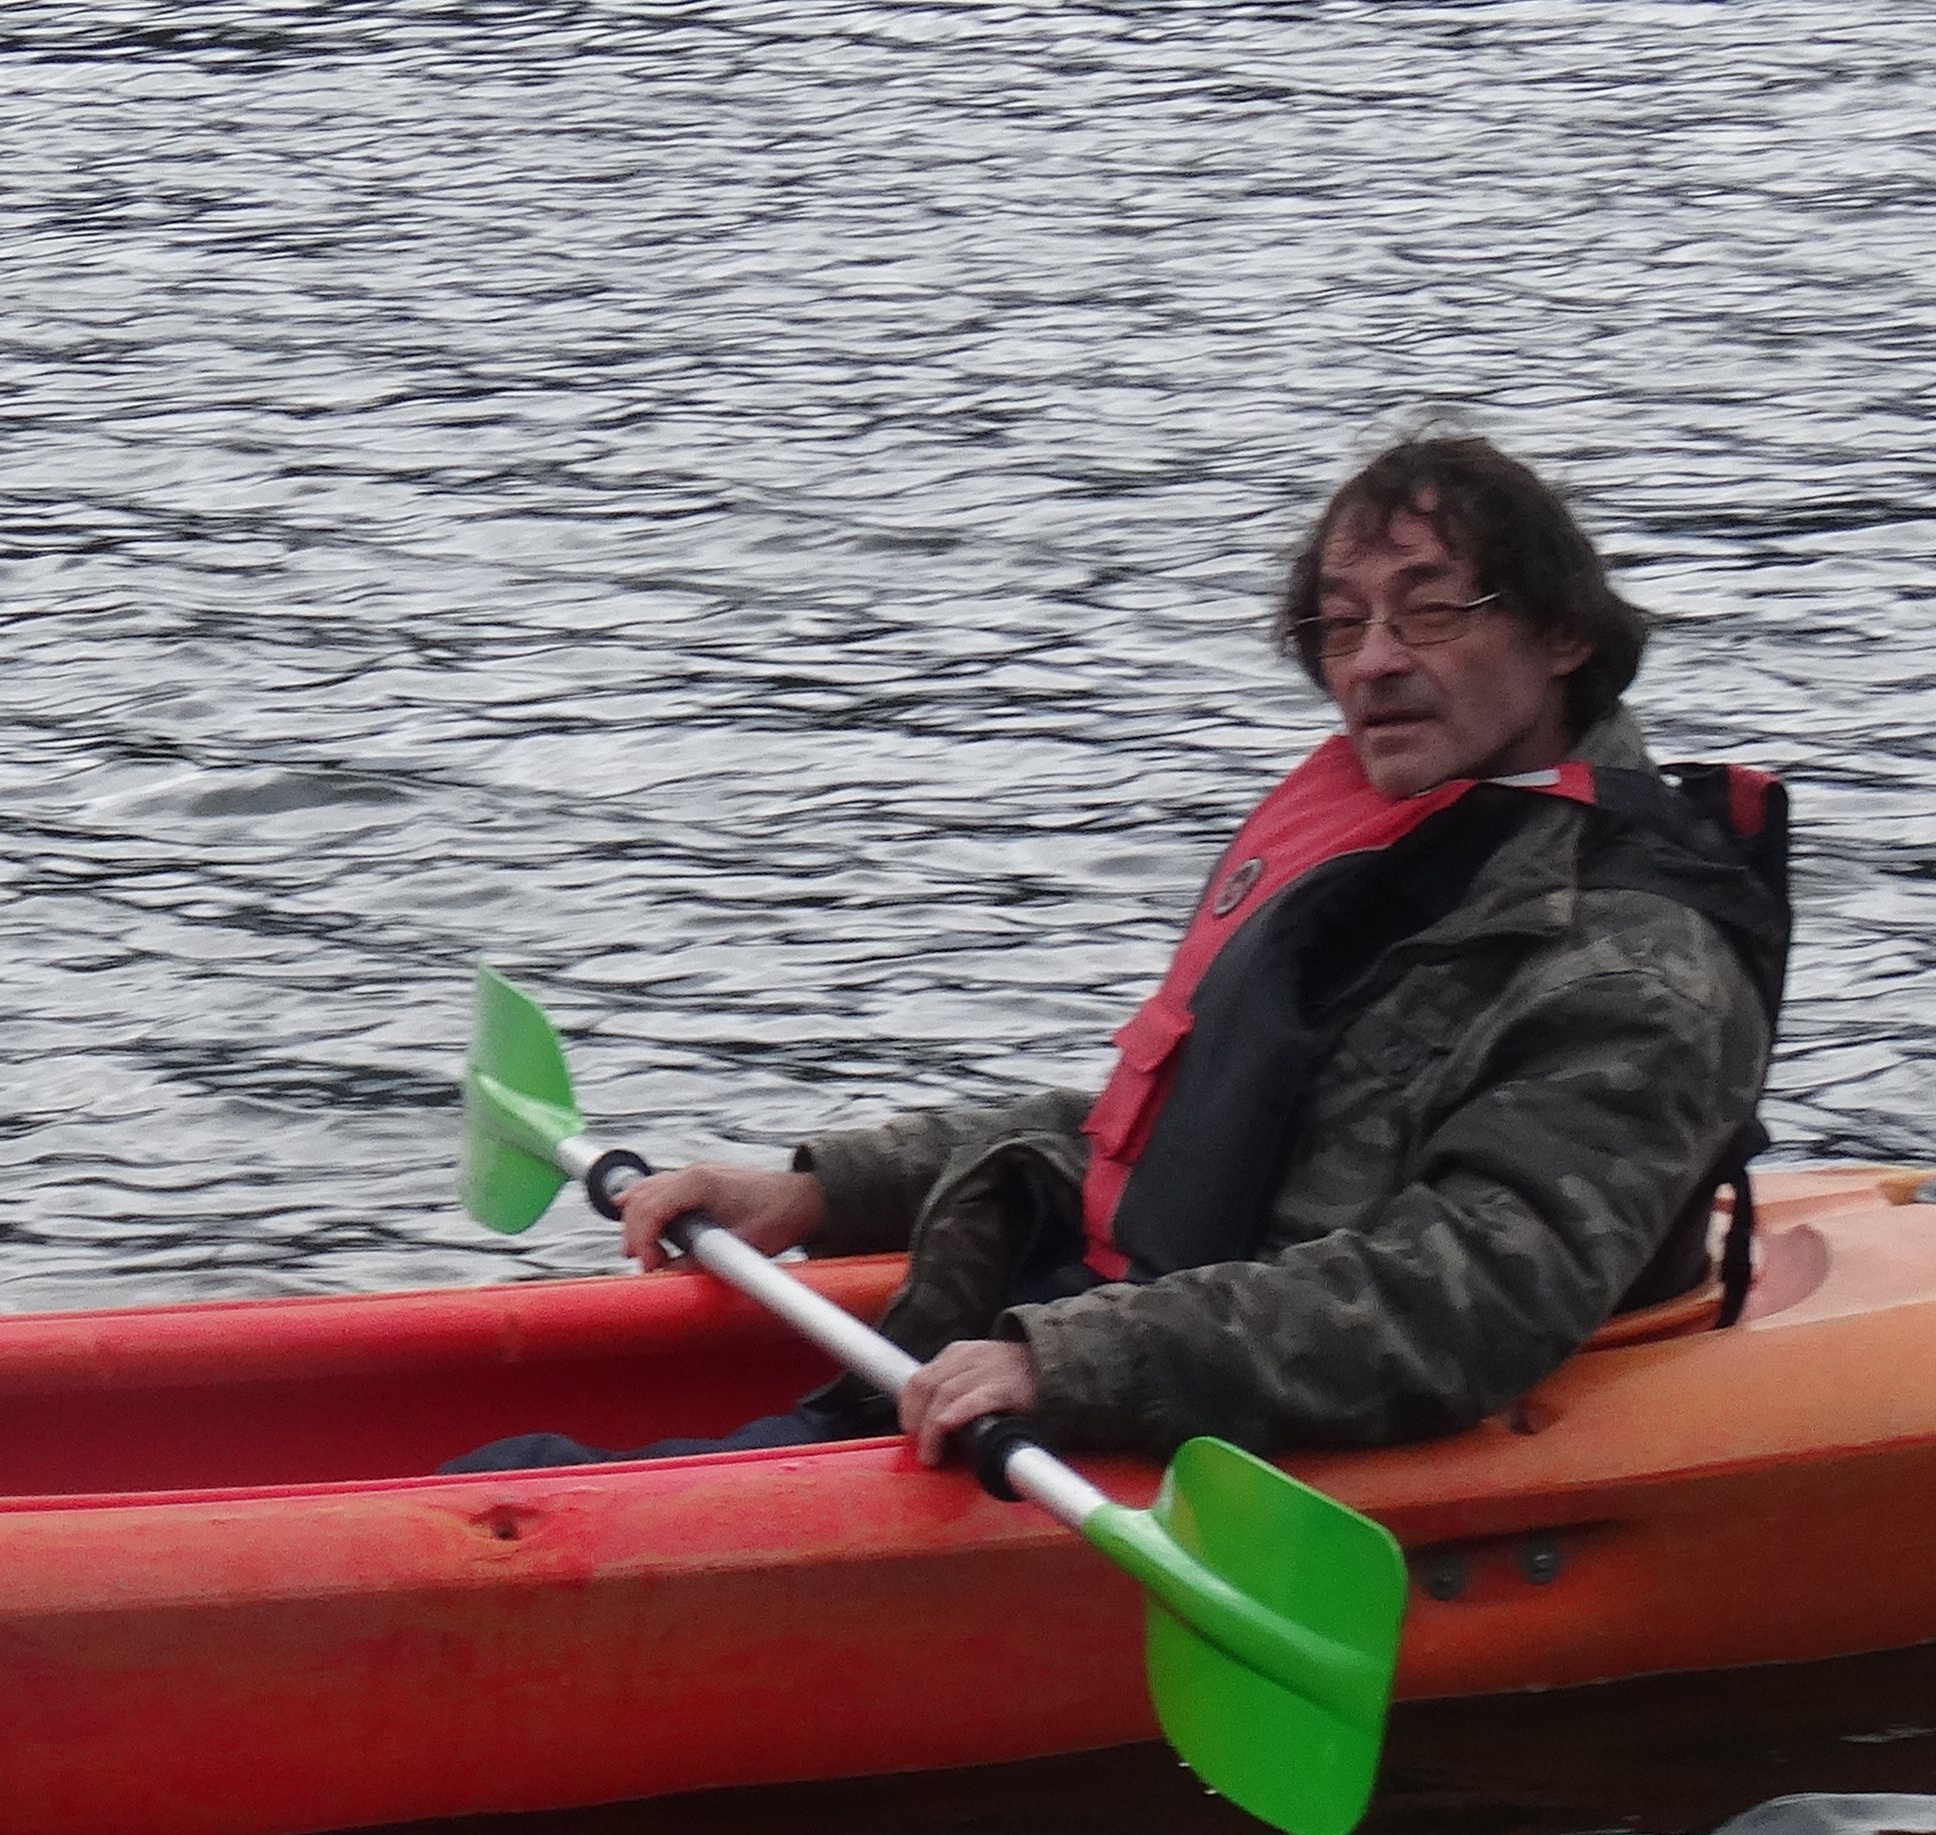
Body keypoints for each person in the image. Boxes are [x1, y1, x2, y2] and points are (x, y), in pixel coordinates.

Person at [464, 431, 1785, 1476]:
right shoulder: (1417, 851)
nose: (1373, 664)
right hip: (1106, 1353)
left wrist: (1073, 1366)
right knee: (516, 1460)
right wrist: (819, 1193)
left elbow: (1468, 1303)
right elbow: (1162, 1125)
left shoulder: (1635, 964)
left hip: (1188, 1424)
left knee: (532, 1482)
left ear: (1563, 634)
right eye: (1341, 625)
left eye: (1429, 612)